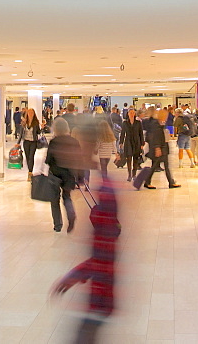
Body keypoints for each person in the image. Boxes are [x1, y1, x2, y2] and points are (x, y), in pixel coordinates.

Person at [52, 175, 120, 343]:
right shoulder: (108, 229)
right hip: (101, 300)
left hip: (100, 301)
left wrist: (71, 278)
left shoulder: (104, 233)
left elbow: (97, 264)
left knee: (83, 338)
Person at [46, 118, 81, 233]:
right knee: (66, 197)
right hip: (69, 174)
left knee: (54, 199)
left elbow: (48, 159)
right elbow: (79, 159)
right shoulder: (74, 141)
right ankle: (71, 215)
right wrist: (80, 176)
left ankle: (57, 225)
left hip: (55, 174)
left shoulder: (53, 142)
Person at [143, 107, 180, 190]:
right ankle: (147, 182)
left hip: (163, 148)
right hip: (159, 148)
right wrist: (157, 148)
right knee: (155, 166)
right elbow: (155, 137)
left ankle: (171, 182)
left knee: (165, 166)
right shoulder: (156, 124)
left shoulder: (159, 123)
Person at [119, 107, 144, 182]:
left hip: (137, 141)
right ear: (128, 114)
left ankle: (134, 174)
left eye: (133, 113)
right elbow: (123, 133)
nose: (132, 114)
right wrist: (121, 142)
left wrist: (142, 143)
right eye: (130, 113)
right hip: (128, 141)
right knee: (129, 158)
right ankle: (129, 175)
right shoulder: (125, 123)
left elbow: (141, 133)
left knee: (136, 159)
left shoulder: (138, 123)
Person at [19, 107, 41, 181]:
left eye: (32, 113)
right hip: (26, 142)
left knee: (31, 156)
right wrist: (18, 143)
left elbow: (38, 132)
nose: (30, 114)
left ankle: (30, 172)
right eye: (29, 113)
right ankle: (29, 170)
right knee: (27, 157)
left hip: (33, 142)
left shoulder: (36, 122)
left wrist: (42, 127)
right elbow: (21, 133)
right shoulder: (24, 122)